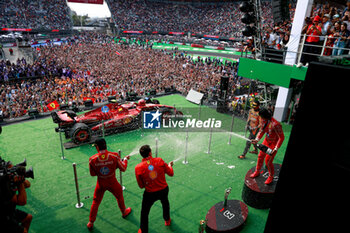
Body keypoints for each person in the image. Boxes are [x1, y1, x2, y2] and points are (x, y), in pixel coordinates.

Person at [87, 138, 131, 230]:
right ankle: (124, 212)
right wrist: (125, 160)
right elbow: (123, 168)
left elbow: (92, 174)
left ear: (98, 147)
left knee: (95, 202)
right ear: (106, 145)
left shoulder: (92, 159)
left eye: (95, 146)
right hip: (112, 182)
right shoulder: (114, 156)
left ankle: (91, 222)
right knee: (119, 196)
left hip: (101, 183)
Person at [135, 145, 174, 233]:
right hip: (163, 190)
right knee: (165, 203)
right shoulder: (159, 160)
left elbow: (141, 186)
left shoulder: (138, 168)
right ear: (150, 152)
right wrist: (169, 166)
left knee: (144, 212)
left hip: (150, 194)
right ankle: (167, 220)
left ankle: (143, 230)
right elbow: (171, 173)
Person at [250, 108, 285, 185]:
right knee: (260, 156)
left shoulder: (276, 124)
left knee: (268, 162)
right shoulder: (263, 120)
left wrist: (275, 149)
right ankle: (257, 171)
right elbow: (261, 131)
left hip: (273, 144)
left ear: (265, 116)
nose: (261, 119)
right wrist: (256, 139)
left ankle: (271, 176)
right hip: (266, 141)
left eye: (262, 117)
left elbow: (281, 137)